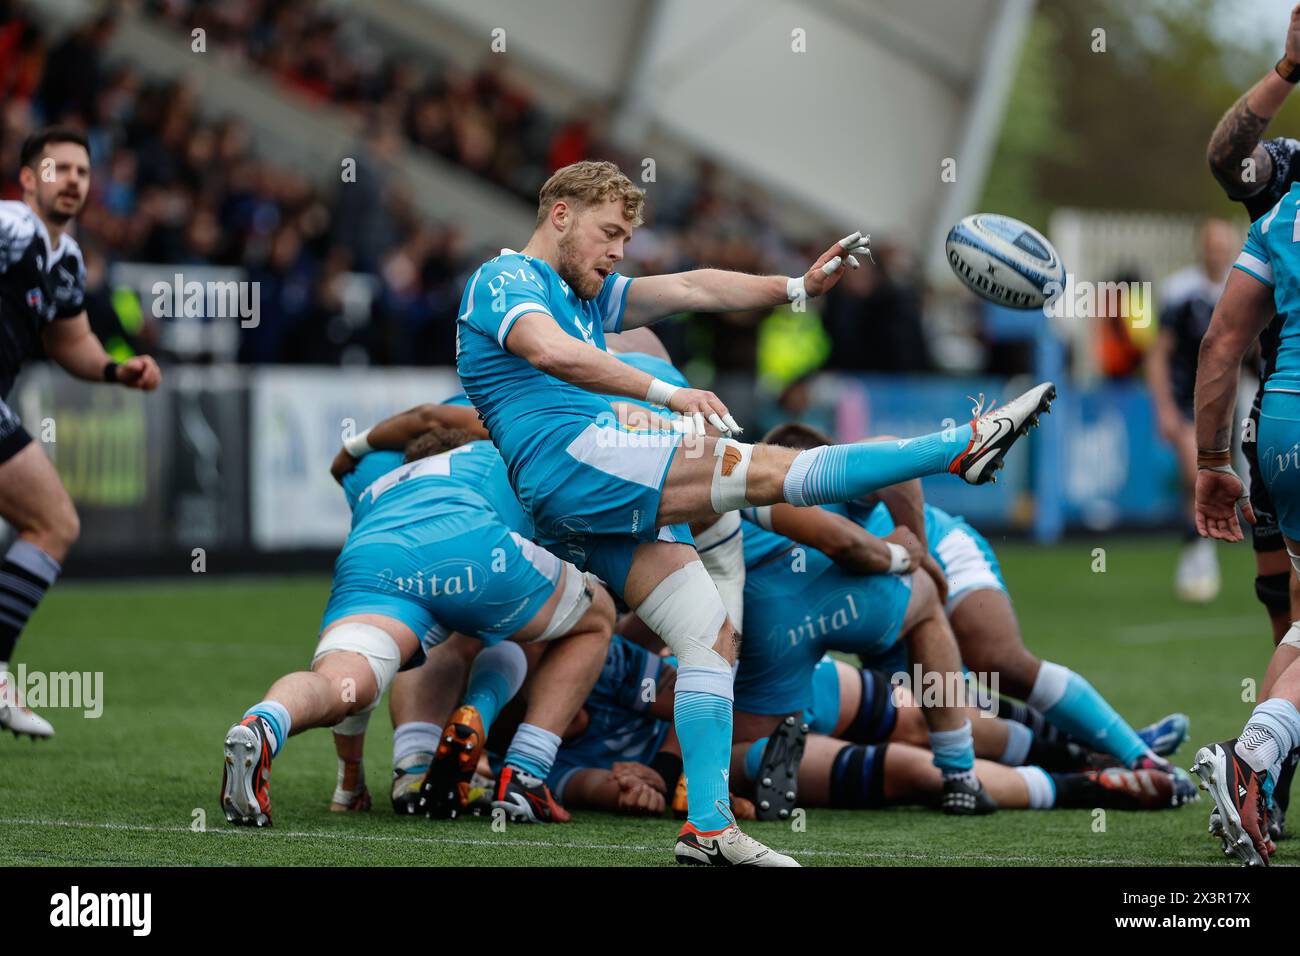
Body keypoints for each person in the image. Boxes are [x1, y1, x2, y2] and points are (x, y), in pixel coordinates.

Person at [455, 159, 1054, 865]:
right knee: (769, 470)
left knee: (708, 637)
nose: (618, 251)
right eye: (609, 233)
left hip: (580, 496)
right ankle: (960, 446)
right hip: (575, 460)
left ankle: (708, 829)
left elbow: (690, 286)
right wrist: (669, 394)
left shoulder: (582, 293)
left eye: (625, 237)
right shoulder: (505, 279)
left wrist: (795, 286)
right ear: (560, 216)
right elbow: (549, 353)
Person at [220, 406, 613, 827]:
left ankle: (264, 723)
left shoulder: (376, 485)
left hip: (371, 560)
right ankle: (525, 774)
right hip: (472, 546)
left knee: (342, 683)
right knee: (592, 618)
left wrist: (349, 781)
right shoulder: (492, 450)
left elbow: (356, 705)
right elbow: (430, 415)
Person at [0, 126, 161, 739]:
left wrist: (119, 369)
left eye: (82, 172)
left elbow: (71, 342)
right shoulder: (13, 227)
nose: (71, 180)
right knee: (54, 522)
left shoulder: (65, 257)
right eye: (57, 168)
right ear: (26, 180)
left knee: (52, 523)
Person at [1204, 2, 1300, 835]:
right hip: (1276, 409)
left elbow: (1217, 342)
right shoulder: (1292, 166)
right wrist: (1287, 68)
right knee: (1288, 608)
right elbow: (1227, 156)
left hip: (1277, 429)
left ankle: (1260, 776)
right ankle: (1262, 769)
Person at [1189, 175, 1300, 867]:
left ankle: (1263, 792)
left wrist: (1212, 460)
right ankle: (1255, 757)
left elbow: (1221, 342)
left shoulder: (1288, 206)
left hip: (1284, 423)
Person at [1145, 219, 1238, 602]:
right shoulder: (1181, 290)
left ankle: (1200, 548)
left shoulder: (1243, 287)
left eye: (1223, 247)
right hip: (1188, 398)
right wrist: (1163, 407)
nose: (1217, 254)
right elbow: (1158, 354)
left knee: (1218, 479)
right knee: (1196, 472)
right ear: (1202, 248)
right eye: (1211, 246)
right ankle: (1199, 552)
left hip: (1231, 399)